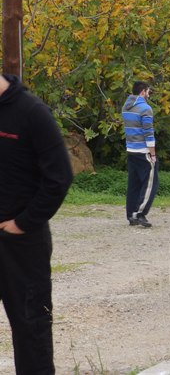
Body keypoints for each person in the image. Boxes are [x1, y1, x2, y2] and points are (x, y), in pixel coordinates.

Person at [0, 73, 73, 374]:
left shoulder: (31, 112)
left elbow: (59, 177)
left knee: (31, 326)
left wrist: (23, 223)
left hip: (21, 242)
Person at [122, 81, 159, 228]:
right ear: (143, 92)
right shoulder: (145, 109)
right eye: (148, 91)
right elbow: (148, 133)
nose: (149, 94)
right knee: (151, 184)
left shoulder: (126, 107)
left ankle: (131, 214)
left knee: (134, 184)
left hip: (131, 150)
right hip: (143, 152)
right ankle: (140, 213)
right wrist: (153, 154)